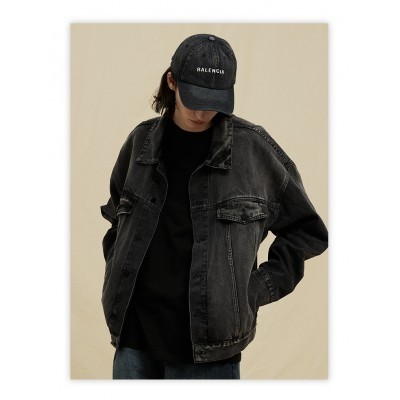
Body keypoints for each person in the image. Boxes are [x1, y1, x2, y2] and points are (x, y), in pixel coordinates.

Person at [100, 33, 328, 380]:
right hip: (134, 340)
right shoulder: (140, 144)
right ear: (172, 81)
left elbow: (307, 232)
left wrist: (254, 289)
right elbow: (116, 217)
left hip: (210, 351)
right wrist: (118, 269)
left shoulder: (253, 150)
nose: (202, 111)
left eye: (213, 100)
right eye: (194, 97)